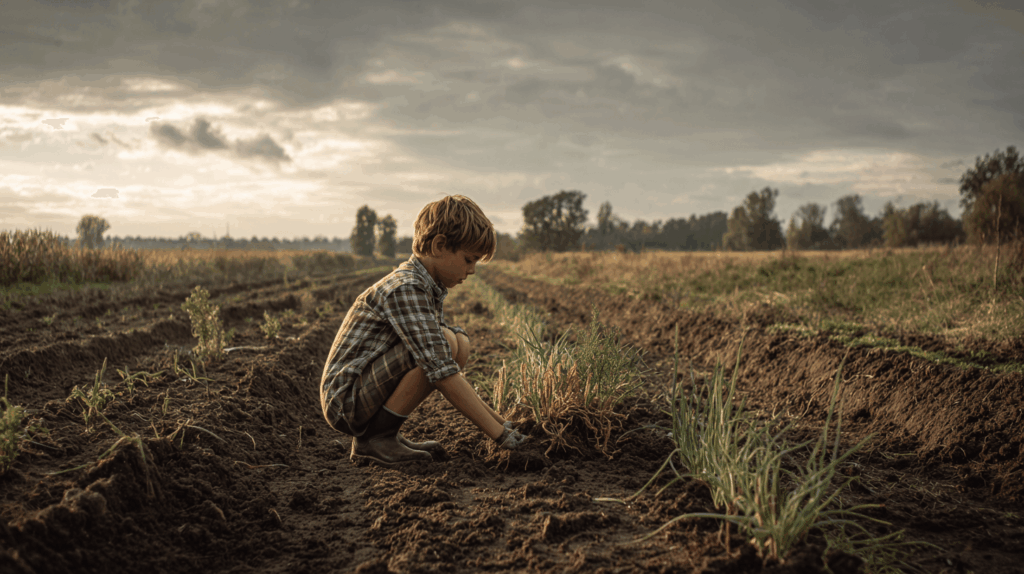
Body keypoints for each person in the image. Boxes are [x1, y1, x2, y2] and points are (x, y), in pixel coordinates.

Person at [320, 195, 527, 466]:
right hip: (347, 403)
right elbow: (440, 371)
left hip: (362, 394)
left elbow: (441, 363)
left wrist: (504, 423)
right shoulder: (406, 287)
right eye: (468, 259)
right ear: (439, 245)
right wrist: (501, 435)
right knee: (446, 345)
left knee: (458, 343)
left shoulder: (425, 285)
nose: (472, 270)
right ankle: (377, 439)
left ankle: (382, 435)